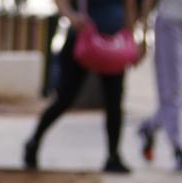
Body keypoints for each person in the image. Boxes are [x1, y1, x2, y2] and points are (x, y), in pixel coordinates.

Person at [25, 0, 143, 172]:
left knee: (114, 102)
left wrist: (132, 39)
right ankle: (34, 142)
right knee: (65, 98)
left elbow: (129, 7)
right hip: (82, 41)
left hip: (114, 45)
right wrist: (72, 17)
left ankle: (113, 156)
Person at [138, 0, 182, 171]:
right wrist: (144, 32)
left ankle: (149, 127)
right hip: (170, 21)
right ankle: (178, 148)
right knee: (173, 91)